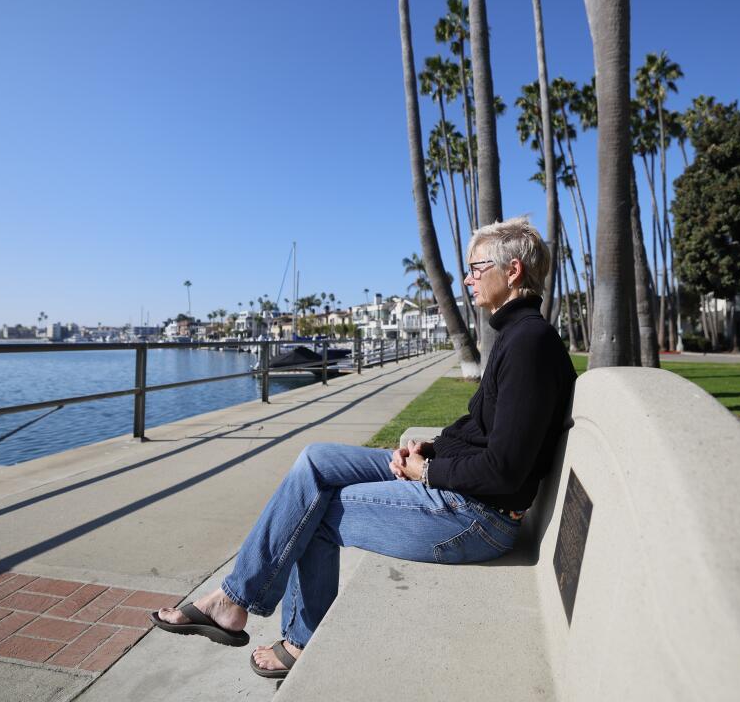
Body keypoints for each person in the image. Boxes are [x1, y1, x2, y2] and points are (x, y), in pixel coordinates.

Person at [152, 217, 576, 679]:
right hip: (456, 488)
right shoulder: (516, 337)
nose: (469, 279)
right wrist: (427, 449)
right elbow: (481, 427)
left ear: (512, 271)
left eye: (476, 267)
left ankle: (287, 632)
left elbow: (505, 471)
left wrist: (425, 473)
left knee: (315, 513)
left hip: (477, 519)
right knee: (316, 460)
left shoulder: (529, 344)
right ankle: (235, 600)